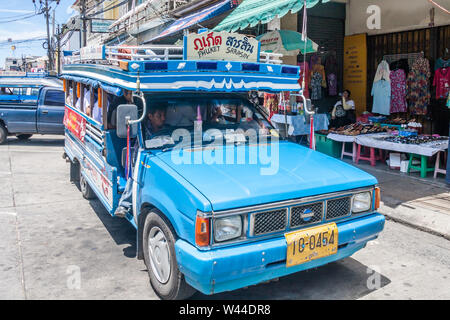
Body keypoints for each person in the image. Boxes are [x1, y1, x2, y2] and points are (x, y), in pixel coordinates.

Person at [114, 102, 166, 218]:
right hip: (139, 158)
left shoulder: (166, 127)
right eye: (159, 116)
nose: (163, 119)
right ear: (150, 116)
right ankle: (124, 205)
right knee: (135, 177)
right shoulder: (142, 129)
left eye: (164, 115)